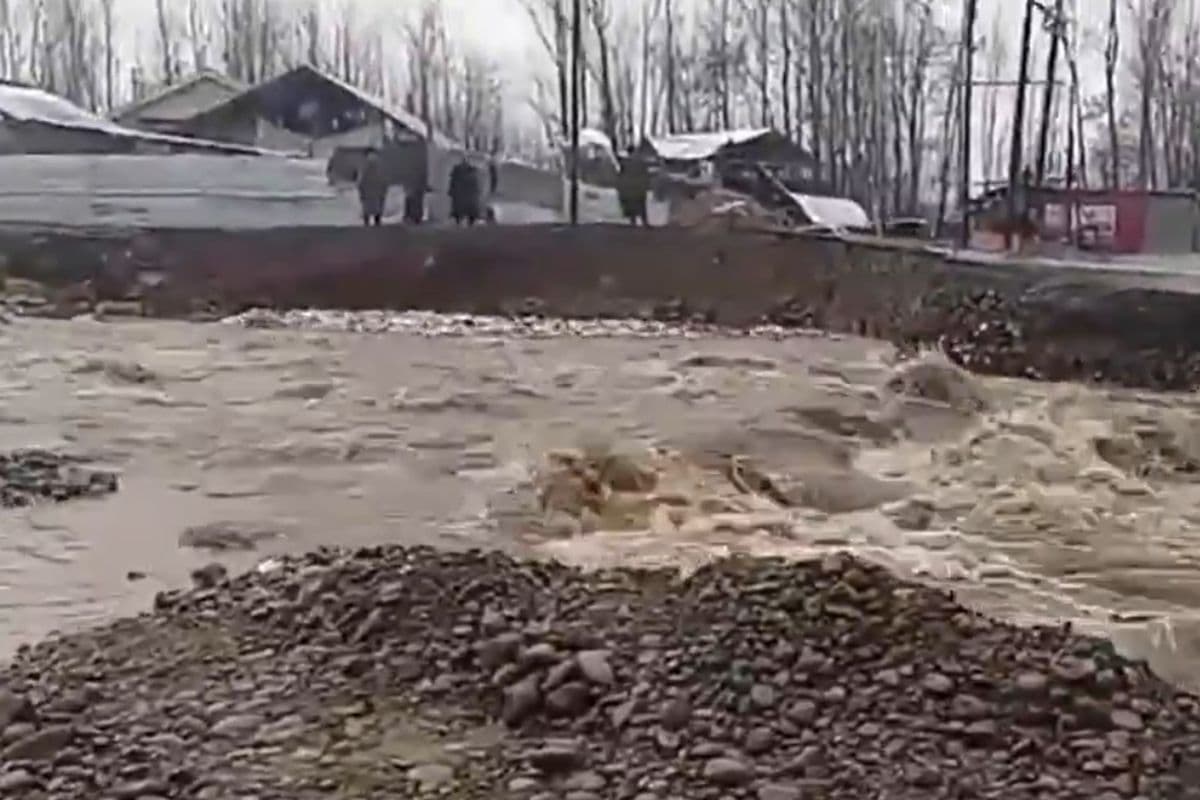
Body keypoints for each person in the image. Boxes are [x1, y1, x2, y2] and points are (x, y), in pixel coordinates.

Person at [356, 148, 388, 227]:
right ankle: (376, 222)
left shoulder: (364, 164)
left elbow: (360, 178)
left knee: (368, 206)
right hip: (374, 188)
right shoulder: (381, 164)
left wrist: (360, 187)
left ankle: (368, 222)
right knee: (376, 205)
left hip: (371, 188)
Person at [616, 154, 650, 226]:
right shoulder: (640, 162)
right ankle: (644, 222)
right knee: (640, 204)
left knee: (632, 204)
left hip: (631, 187)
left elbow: (621, 176)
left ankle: (634, 222)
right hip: (638, 186)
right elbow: (645, 174)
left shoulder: (625, 163)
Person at [449, 157, 482, 225]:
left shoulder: (456, 173)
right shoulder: (474, 173)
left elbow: (452, 185)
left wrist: (451, 191)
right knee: (471, 209)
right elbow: (478, 188)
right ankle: (470, 221)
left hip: (460, 198)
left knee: (459, 209)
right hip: (470, 199)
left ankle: (459, 220)